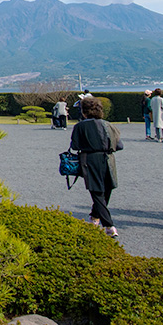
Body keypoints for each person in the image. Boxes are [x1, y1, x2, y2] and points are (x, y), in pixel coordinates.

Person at [69, 96, 122, 237]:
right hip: (109, 158)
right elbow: (119, 145)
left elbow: (75, 145)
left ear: (84, 111)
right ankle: (95, 217)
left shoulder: (80, 126)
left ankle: (109, 225)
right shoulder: (109, 125)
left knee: (97, 192)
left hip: (90, 159)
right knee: (107, 189)